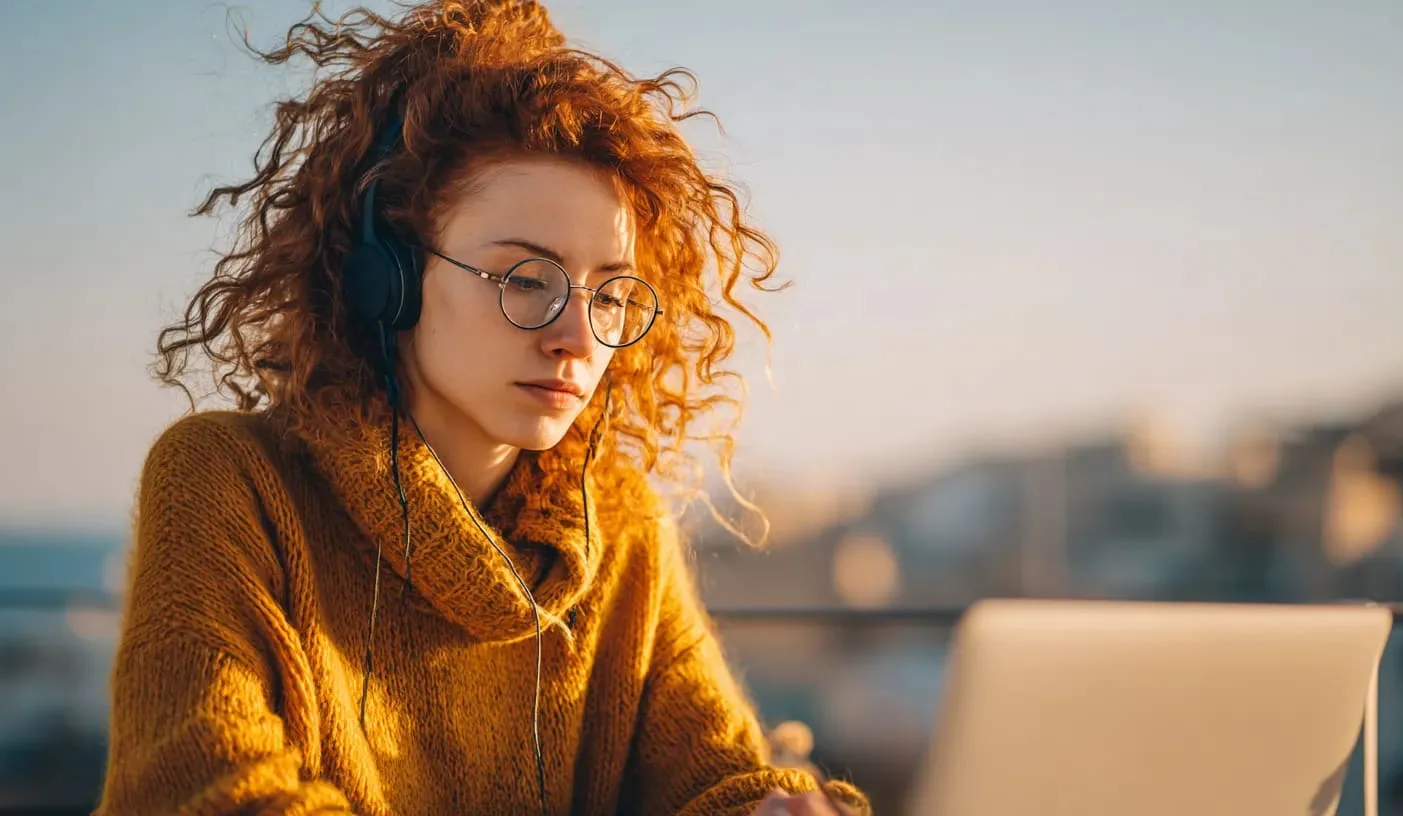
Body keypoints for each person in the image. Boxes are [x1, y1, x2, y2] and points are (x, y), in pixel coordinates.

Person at [94, 2, 869, 815]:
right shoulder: (227, 480)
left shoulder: (618, 526)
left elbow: (717, 773)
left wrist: (765, 808)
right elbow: (210, 793)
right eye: (527, 279)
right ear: (386, 279)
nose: (578, 336)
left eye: (611, 294)